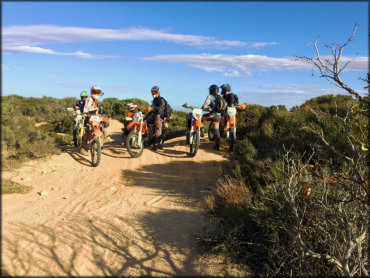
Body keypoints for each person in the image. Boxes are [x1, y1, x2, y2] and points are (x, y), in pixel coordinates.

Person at [80, 85, 111, 154]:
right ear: (92, 92)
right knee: (87, 131)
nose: (97, 94)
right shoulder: (89, 99)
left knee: (105, 123)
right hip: (89, 117)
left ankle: (105, 137)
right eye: (95, 92)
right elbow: (86, 108)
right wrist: (85, 113)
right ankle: (83, 147)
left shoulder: (96, 101)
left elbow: (96, 110)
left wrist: (101, 113)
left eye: (98, 93)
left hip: (96, 117)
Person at [201, 84, 222, 150]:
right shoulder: (220, 97)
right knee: (216, 129)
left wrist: (207, 108)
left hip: (212, 115)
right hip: (218, 116)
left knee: (200, 118)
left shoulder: (210, 96)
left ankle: (201, 131)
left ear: (211, 90)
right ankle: (217, 146)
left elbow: (204, 106)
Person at [145, 86, 166, 150]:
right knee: (145, 123)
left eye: (155, 92)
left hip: (160, 116)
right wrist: (144, 118)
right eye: (152, 92)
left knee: (157, 131)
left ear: (158, 92)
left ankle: (158, 144)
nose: (154, 93)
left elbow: (161, 108)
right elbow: (150, 111)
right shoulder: (154, 101)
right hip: (154, 116)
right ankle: (149, 141)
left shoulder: (161, 99)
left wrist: (153, 108)